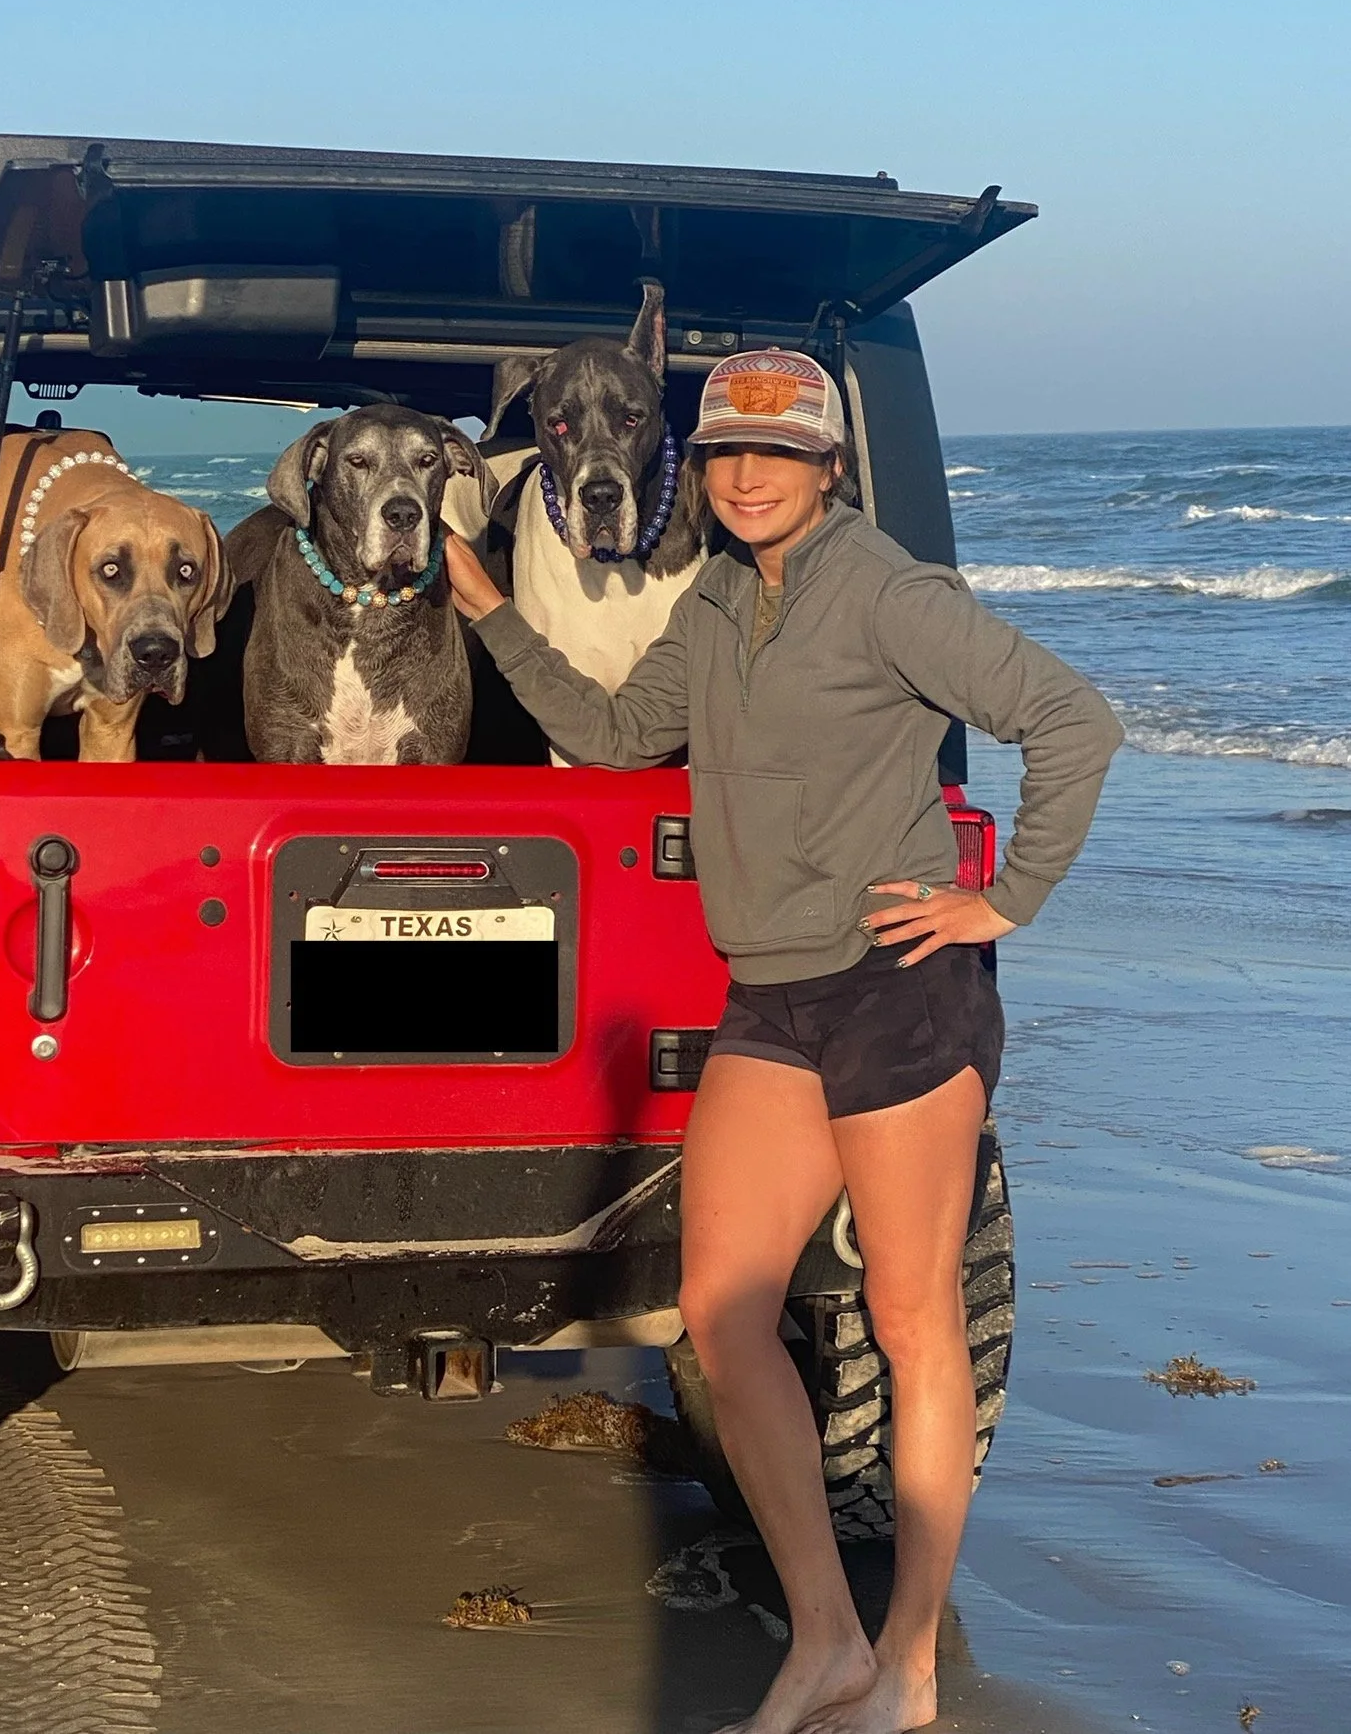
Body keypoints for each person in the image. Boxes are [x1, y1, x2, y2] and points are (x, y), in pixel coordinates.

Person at [444, 348, 1121, 1734]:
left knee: (914, 1318)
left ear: (826, 465)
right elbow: (622, 731)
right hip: (769, 996)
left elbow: (1072, 719)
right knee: (720, 1309)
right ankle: (825, 1637)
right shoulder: (711, 597)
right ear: (699, 469)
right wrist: (495, 615)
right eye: (726, 454)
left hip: (894, 989)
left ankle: (911, 1661)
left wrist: (1001, 896)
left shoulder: (888, 592)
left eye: (779, 452)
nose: (748, 475)